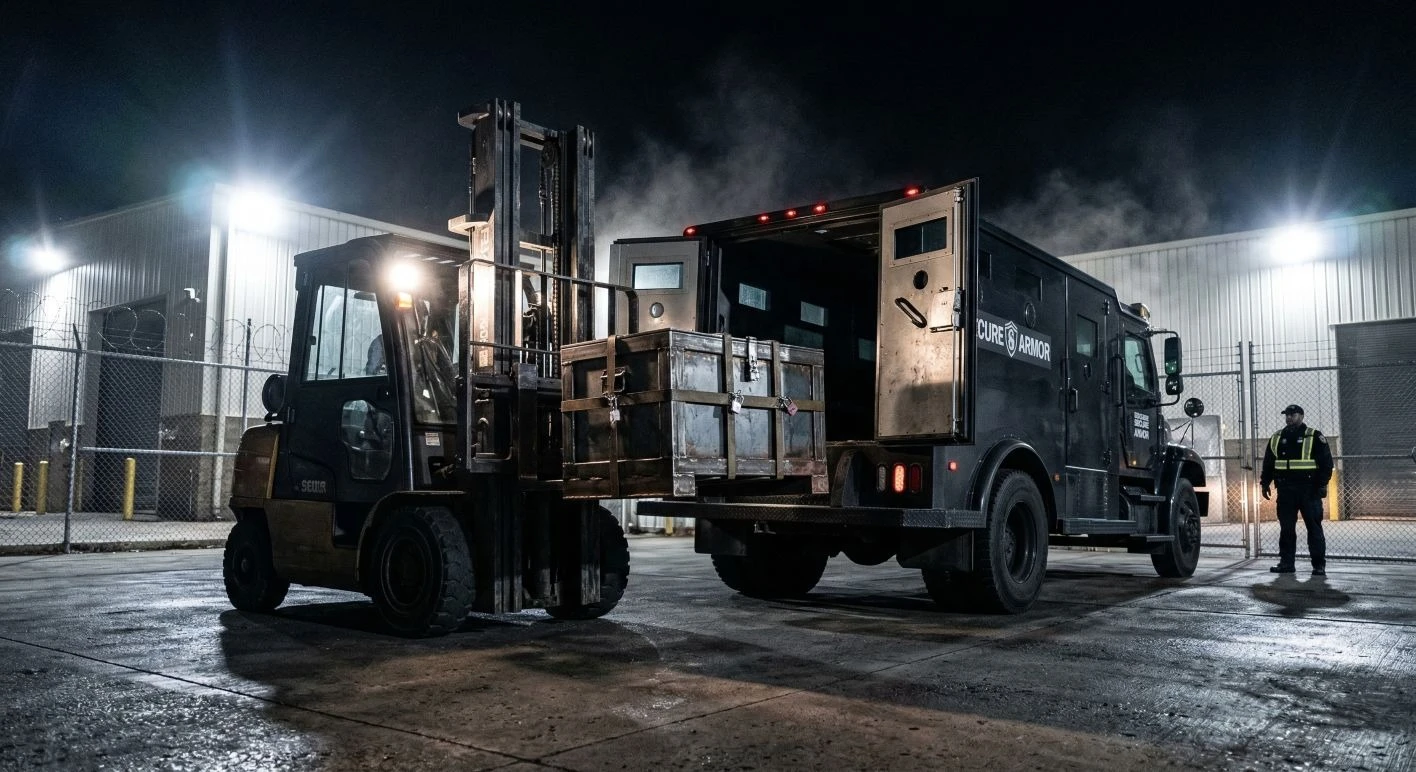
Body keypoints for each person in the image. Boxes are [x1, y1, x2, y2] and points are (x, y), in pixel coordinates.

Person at [1259, 404, 1333, 575]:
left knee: (1314, 528)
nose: (1289, 418)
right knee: (1286, 529)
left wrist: (1322, 484)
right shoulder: (1277, 437)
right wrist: (1265, 483)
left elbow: (1326, 464)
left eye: (1293, 415)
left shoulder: (1314, 436)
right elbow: (1269, 463)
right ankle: (1286, 564)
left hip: (1309, 491)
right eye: (1287, 415)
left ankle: (1318, 566)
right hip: (1285, 491)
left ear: (1301, 416)